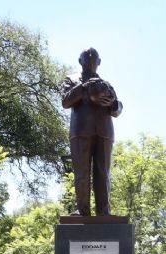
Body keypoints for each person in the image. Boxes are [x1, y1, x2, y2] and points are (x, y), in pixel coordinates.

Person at [61, 47, 123, 216]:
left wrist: (112, 104)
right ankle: (82, 211)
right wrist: (83, 88)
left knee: (103, 173)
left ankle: (104, 212)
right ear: (79, 61)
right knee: (81, 172)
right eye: (86, 58)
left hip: (104, 132)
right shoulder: (72, 79)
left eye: (93, 59)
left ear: (99, 62)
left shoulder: (106, 85)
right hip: (80, 132)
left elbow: (118, 109)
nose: (90, 61)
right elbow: (65, 102)